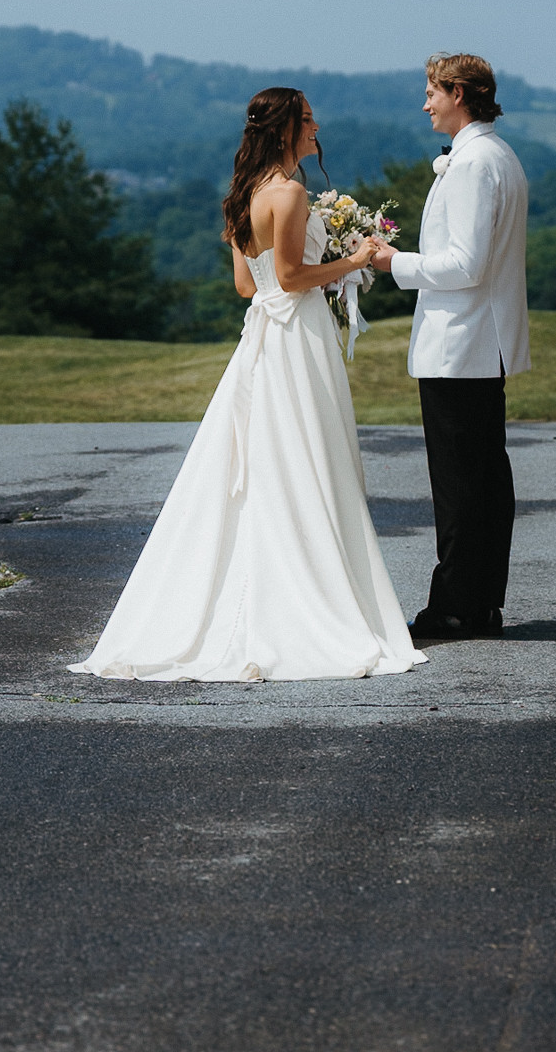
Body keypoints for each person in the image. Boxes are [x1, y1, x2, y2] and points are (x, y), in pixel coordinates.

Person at [69, 86, 427, 682]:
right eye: (308, 119)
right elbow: (289, 278)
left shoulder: (245, 195)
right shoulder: (286, 193)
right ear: (285, 129)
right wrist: (355, 259)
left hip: (264, 336)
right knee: (306, 458)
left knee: (274, 460)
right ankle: (313, 606)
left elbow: (247, 285)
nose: (317, 128)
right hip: (296, 337)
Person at [371, 53, 530, 639]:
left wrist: (394, 262)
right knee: (485, 480)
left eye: (432, 92)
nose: (426, 103)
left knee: (462, 486)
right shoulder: (498, 156)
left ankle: (457, 607)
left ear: (459, 93)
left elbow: (466, 263)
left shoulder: (472, 165)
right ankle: (480, 602)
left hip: (461, 344)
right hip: (480, 343)